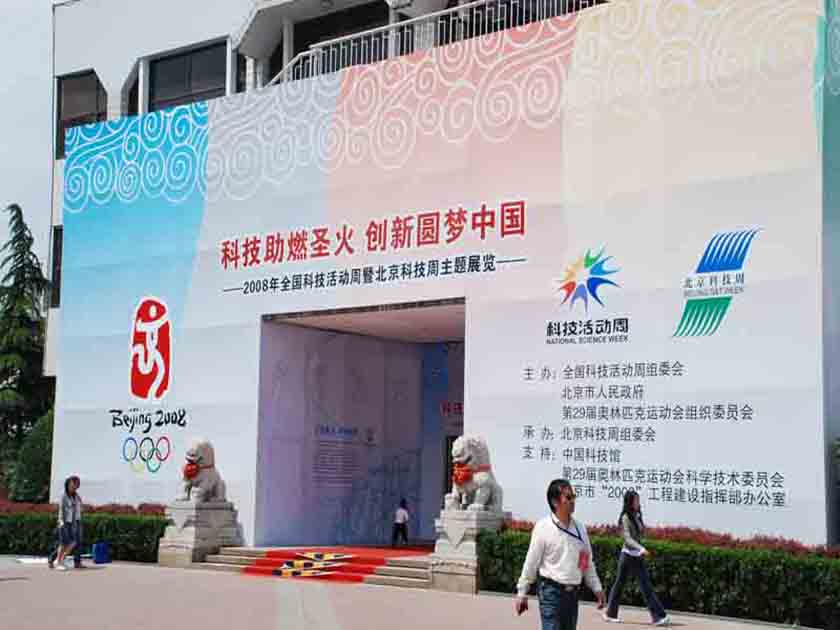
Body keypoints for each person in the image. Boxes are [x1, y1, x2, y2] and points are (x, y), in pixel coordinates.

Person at [515, 479, 606, 630]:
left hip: (572, 595)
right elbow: (531, 562)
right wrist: (522, 592)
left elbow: (586, 562)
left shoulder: (580, 529)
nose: (572, 501)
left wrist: (597, 588)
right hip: (550, 593)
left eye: (573, 497)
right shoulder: (543, 527)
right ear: (555, 502)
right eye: (568, 497)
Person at [603, 490, 670, 626]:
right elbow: (627, 539)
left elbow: (640, 532)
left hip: (636, 556)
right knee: (638, 586)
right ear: (630, 502)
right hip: (628, 555)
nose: (638, 503)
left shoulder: (636, 515)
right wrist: (641, 548)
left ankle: (610, 613)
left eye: (638, 500)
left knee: (630, 585)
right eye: (636, 500)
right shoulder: (625, 518)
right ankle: (658, 617)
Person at [49, 476, 83, 571]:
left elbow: (76, 509)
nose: (73, 487)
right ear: (67, 485)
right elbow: (62, 510)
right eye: (72, 485)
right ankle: (57, 561)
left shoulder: (75, 496)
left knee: (72, 542)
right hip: (63, 522)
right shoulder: (64, 496)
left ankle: (59, 560)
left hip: (71, 522)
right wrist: (62, 523)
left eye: (75, 485)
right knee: (64, 543)